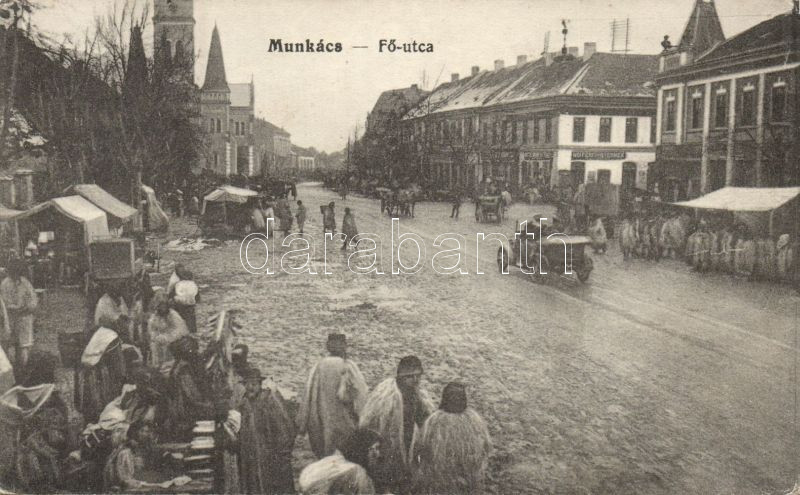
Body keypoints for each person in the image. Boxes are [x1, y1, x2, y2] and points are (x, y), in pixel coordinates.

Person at [358, 356, 434, 493]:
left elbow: (424, 418)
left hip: (407, 440)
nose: (415, 380)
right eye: (410, 376)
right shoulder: (386, 394)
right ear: (400, 376)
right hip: (386, 443)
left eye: (418, 376)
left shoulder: (417, 395)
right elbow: (370, 421)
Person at [297, 334, 369, 459]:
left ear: (328, 346)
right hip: (345, 422)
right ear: (344, 346)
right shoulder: (349, 366)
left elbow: (307, 395)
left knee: (325, 455)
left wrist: (303, 424)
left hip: (321, 421)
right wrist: (363, 420)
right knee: (344, 456)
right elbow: (361, 395)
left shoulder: (318, 366)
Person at [413, 382, 492, 493]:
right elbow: (486, 447)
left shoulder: (435, 421)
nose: (456, 400)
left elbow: (421, 447)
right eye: (453, 397)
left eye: (458, 397)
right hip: (456, 475)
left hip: (447, 475)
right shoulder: (473, 420)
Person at [237, 366, 296, 494]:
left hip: (270, 453)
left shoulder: (269, 401)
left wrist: (282, 451)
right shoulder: (244, 403)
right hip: (252, 455)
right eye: (247, 384)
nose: (250, 387)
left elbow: (284, 427)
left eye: (254, 384)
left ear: (260, 385)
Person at [298, 428, 383, 494]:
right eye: (375, 448)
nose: (378, 454)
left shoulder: (332, 460)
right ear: (363, 449)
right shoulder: (357, 473)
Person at [74, 321, 127, 423]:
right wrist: (122, 379)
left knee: (89, 408)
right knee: (104, 407)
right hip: (102, 380)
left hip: (85, 379)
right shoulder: (111, 337)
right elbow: (119, 365)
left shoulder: (89, 337)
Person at [164, 336, 215, 439]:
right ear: (187, 354)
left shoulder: (179, 365)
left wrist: (210, 350)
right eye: (194, 351)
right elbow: (192, 396)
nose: (196, 353)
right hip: (184, 414)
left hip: (183, 411)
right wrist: (208, 405)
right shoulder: (184, 370)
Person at [0, 258, 37, 367]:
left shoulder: (24, 283)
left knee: (22, 346)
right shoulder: (6, 284)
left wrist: (26, 308)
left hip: (22, 318)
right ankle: (13, 369)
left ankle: (20, 369)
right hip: (12, 318)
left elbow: (33, 302)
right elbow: (4, 303)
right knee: (11, 345)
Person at [146, 290, 189, 374]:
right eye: (160, 306)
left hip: (172, 342)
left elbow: (181, 330)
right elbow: (151, 329)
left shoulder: (173, 315)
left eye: (164, 305)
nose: (163, 308)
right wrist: (155, 336)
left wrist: (167, 337)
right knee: (154, 347)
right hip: (159, 343)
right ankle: (158, 368)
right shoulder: (154, 317)